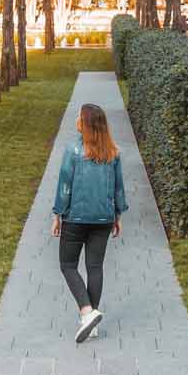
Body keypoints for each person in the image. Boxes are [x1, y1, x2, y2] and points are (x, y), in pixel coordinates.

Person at [49, 101, 128, 342]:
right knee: (95, 267)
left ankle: (86, 312)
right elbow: (118, 188)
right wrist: (117, 215)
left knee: (68, 265)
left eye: (79, 118)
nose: (76, 121)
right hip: (103, 219)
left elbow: (65, 185)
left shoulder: (73, 149)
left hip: (75, 219)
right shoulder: (112, 152)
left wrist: (57, 214)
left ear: (86, 125)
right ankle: (91, 324)